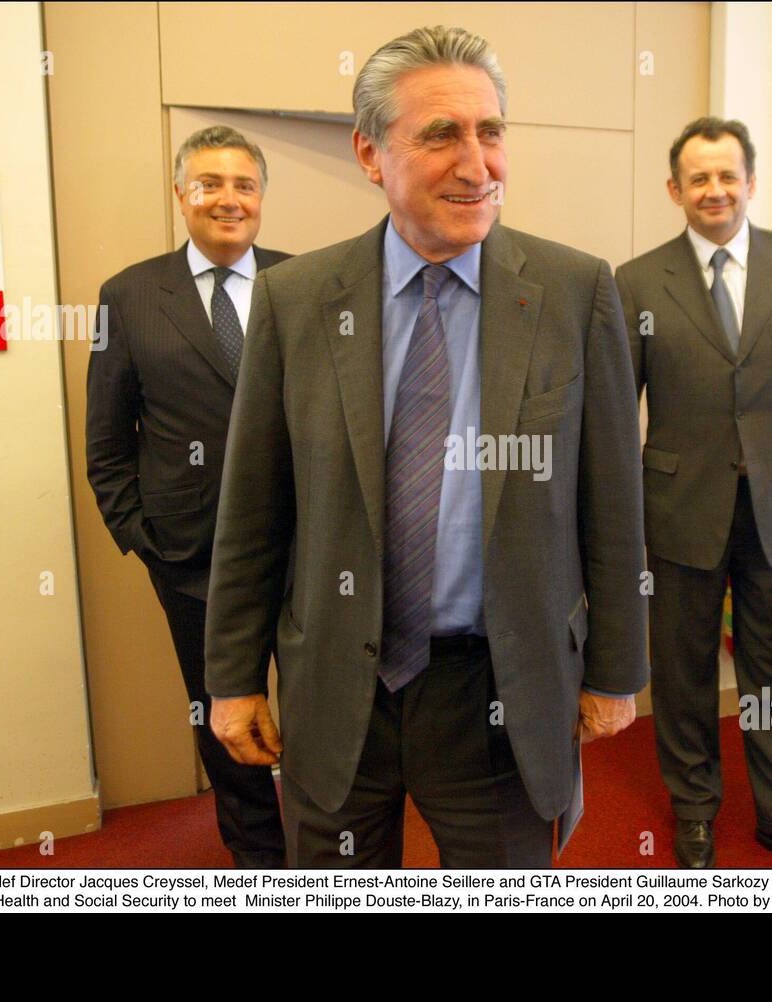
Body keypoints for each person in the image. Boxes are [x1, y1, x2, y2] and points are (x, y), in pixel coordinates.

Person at [203, 25, 648, 868]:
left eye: (491, 132)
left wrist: (617, 666)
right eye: (441, 134)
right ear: (371, 154)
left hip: (497, 690)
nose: (477, 163)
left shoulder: (574, 291)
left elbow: (612, 499)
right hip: (339, 683)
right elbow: (254, 507)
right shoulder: (296, 300)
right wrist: (231, 677)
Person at [615, 117, 772, 869]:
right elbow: (619, 410)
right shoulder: (639, 280)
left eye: (727, 175)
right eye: (698, 178)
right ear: (674, 190)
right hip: (678, 511)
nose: (714, 190)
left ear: (750, 180)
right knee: (681, 674)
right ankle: (693, 814)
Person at [86, 125, 289, 868]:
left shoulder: (305, 285)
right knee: (225, 720)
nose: (228, 199)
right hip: (190, 559)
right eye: (209, 183)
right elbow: (106, 443)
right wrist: (142, 537)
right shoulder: (130, 295)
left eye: (244, 184)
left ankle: (332, 848)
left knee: (326, 709)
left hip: (308, 552)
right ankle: (263, 865)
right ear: (181, 195)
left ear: (261, 196)